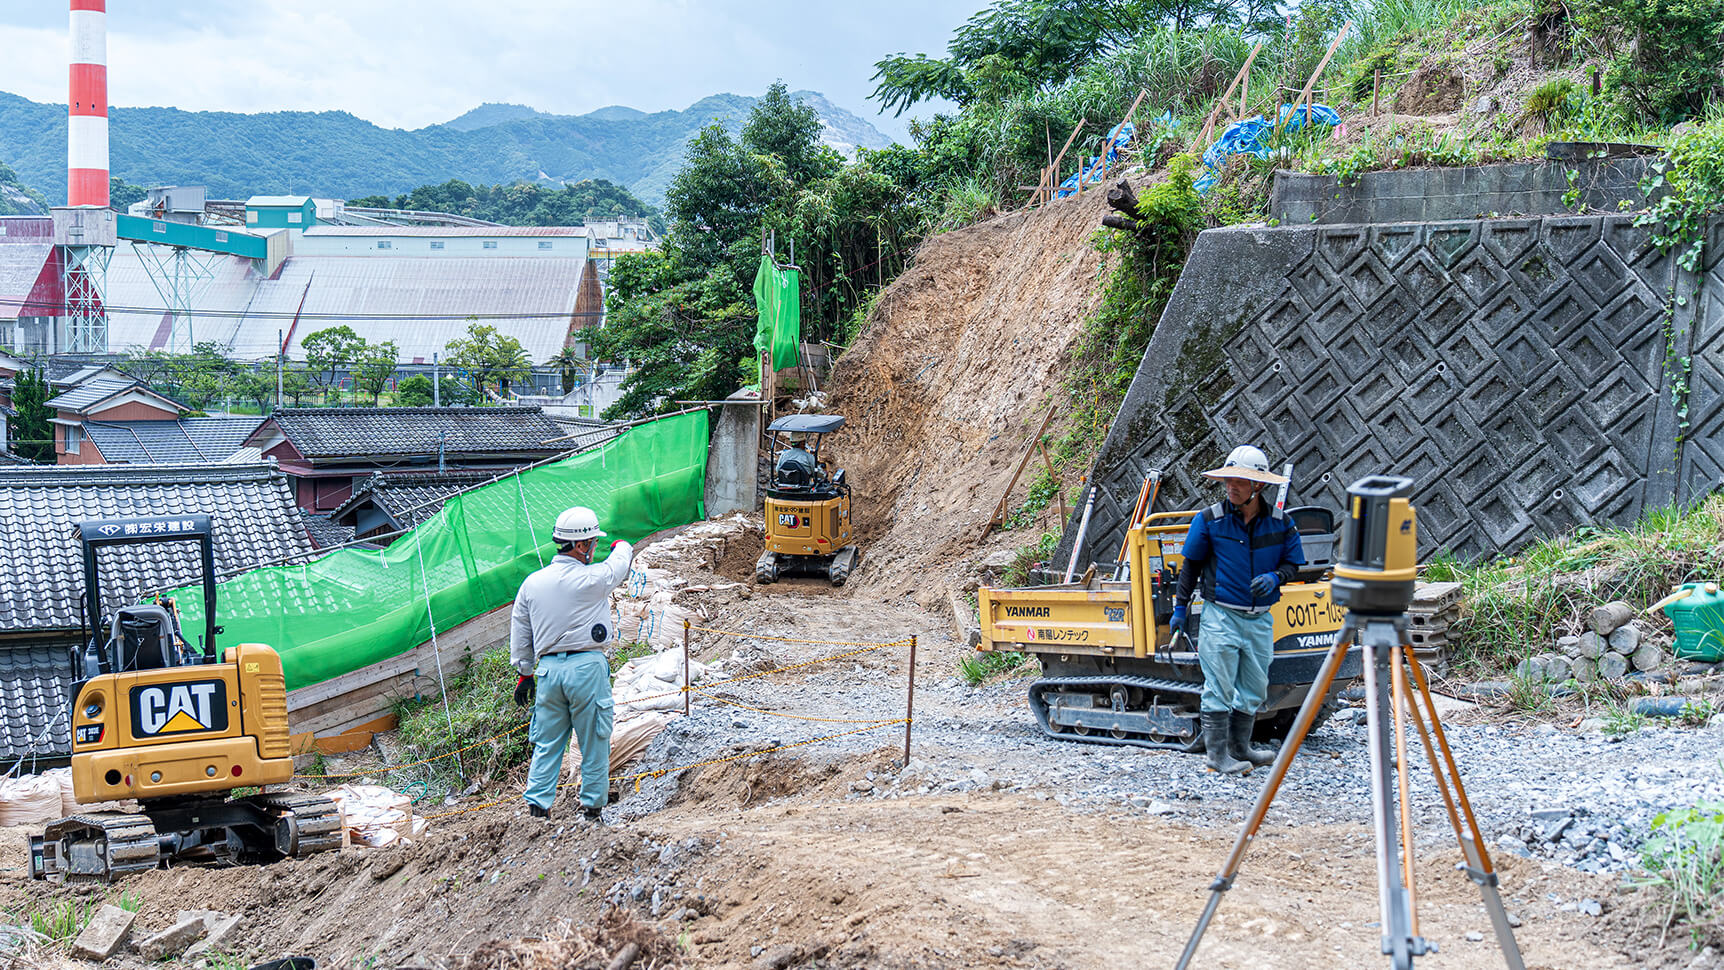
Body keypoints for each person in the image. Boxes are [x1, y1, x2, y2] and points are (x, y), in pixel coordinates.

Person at [1167, 445, 1305, 775]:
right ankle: (1217, 756)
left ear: (1258, 486)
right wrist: (1180, 610)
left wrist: (1275, 578)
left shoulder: (1280, 524)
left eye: (1239, 482)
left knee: (1254, 687)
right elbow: (1191, 568)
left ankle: (1241, 747)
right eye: (1228, 480)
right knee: (1219, 686)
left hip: (1259, 619)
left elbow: (1293, 565)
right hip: (1221, 616)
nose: (1231, 486)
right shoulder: (1209, 520)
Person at [510, 506, 633, 820]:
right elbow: (618, 566)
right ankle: (591, 810)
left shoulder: (532, 584)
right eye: (592, 542)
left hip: (549, 672)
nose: (594, 547)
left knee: (547, 742)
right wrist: (622, 546)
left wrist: (525, 674)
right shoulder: (592, 579)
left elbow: (521, 634)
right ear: (581, 546)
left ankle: (537, 810)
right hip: (586, 669)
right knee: (594, 740)